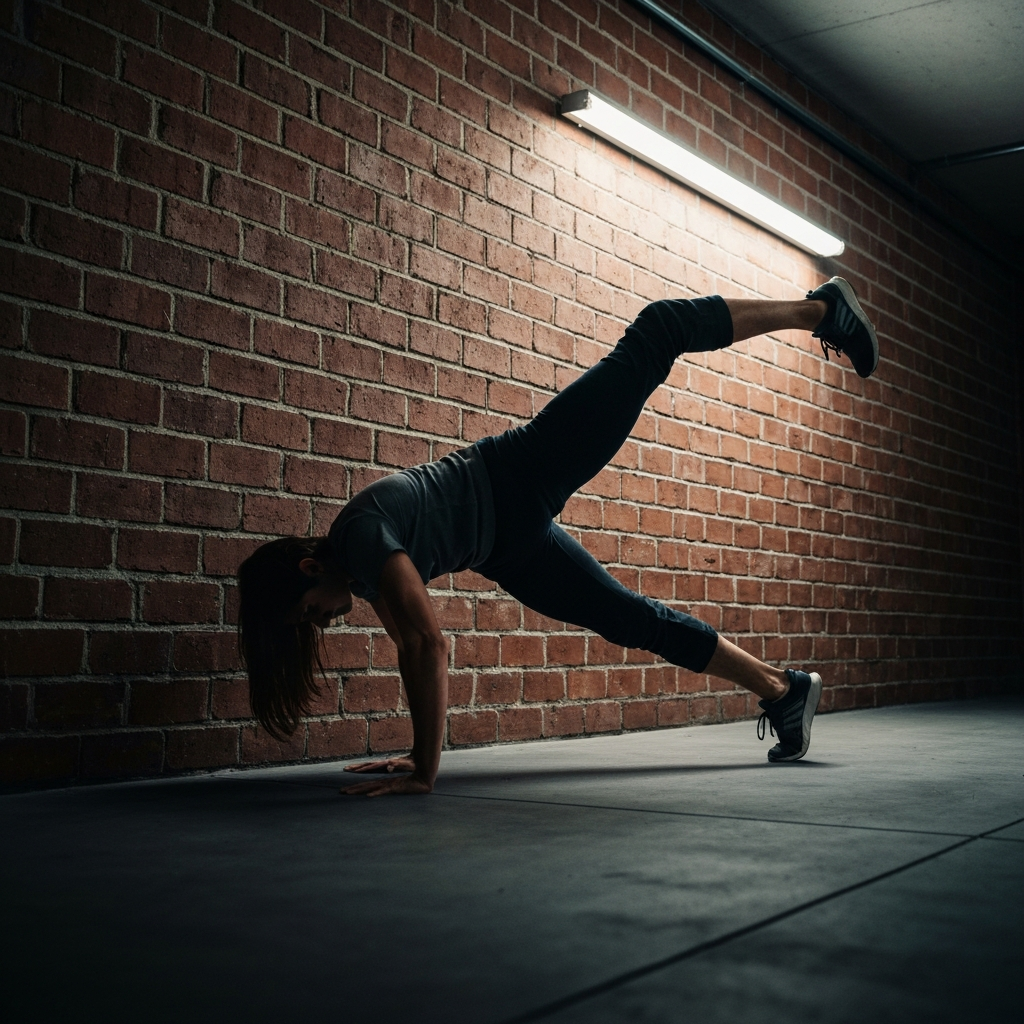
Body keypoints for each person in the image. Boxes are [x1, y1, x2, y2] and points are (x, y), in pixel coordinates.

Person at [237, 277, 879, 797]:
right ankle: (783, 691)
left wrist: (424, 769)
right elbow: (412, 642)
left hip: (518, 473)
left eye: (305, 619)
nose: (320, 626)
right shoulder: (357, 566)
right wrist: (416, 754)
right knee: (632, 620)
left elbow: (425, 644)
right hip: (507, 547)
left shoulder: (362, 539)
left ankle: (821, 309)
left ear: (303, 571)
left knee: (659, 331)